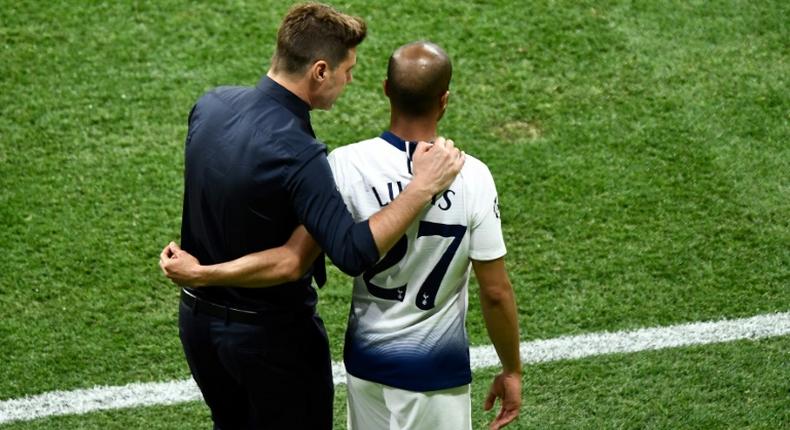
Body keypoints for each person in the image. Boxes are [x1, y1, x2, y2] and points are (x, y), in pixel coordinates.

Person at [162, 40, 521, 430]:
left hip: (366, 365)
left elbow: (295, 256)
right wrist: (512, 370)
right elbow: (496, 292)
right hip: (435, 370)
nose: (348, 77)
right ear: (445, 99)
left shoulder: (344, 165)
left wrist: (204, 274)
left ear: (386, 89)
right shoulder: (473, 176)